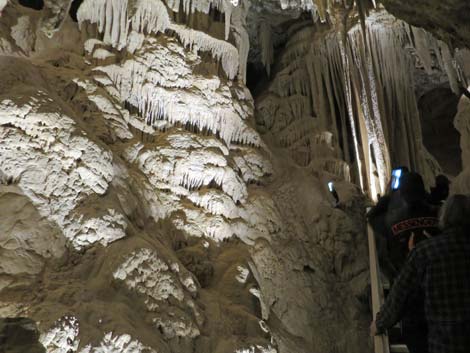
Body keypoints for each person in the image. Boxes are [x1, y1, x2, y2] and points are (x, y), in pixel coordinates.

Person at [371, 194, 470, 353]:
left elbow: (400, 295)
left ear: (444, 217)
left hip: (444, 345)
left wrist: (379, 323)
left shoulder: (425, 252)